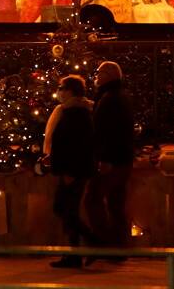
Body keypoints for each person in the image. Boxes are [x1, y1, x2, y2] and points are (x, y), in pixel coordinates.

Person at [42, 74, 96, 268]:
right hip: (70, 168)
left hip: (73, 171)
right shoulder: (71, 111)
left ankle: (90, 244)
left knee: (65, 209)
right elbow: (63, 142)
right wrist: (52, 156)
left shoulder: (77, 113)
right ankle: (77, 252)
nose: (59, 91)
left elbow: (77, 145)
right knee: (67, 210)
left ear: (71, 91)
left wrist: (69, 171)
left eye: (61, 88)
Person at [87, 60, 136, 256]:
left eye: (99, 72)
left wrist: (104, 159)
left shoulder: (109, 99)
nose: (96, 76)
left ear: (108, 75)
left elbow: (105, 132)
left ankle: (106, 244)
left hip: (112, 161)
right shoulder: (120, 97)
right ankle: (120, 246)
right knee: (116, 203)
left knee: (93, 199)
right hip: (123, 159)